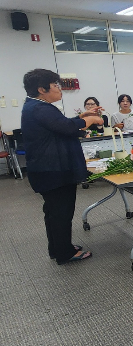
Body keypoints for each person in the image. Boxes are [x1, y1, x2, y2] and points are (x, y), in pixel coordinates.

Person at [21, 69, 104, 265]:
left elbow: (61, 125)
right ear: (42, 89)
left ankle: (57, 248)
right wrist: (91, 120)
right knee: (61, 212)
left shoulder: (37, 106)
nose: (59, 89)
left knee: (53, 212)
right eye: (56, 85)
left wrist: (82, 116)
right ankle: (65, 253)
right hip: (53, 170)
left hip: (48, 169)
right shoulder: (40, 108)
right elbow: (67, 128)